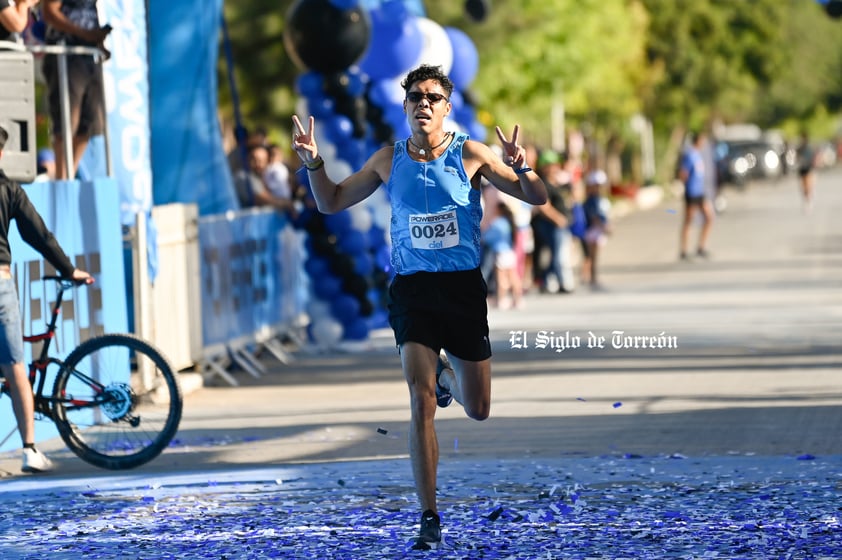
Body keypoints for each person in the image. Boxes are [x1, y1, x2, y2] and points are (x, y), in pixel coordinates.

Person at [291, 64, 547, 550]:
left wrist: (521, 166)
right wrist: (313, 163)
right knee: (420, 399)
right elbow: (331, 202)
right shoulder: (388, 159)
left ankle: (451, 376)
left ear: (446, 108)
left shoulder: (471, 154)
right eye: (414, 97)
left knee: (479, 409)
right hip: (411, 290)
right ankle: (429, 514)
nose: (423, 103)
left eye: (432, 97)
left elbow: (537, 197)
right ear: (405, 107)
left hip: (462, 290)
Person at [0, 124, 94, 473]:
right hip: (1, 282)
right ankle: (29, 450)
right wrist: (69, 270)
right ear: (2, 153)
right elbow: (39, 235)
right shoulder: (10, 189)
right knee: (15, 368)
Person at [41, 0, 111, 179]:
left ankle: (69, 174)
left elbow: (87, 15)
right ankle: (62, 178)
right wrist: (83, 34)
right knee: (66, 122)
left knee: (90, 123)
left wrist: (97, 41)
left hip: (89, 57)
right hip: (66, 55)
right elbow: (49, 11)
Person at [532, 149, 575, 293]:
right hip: (551, 225)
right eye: (551, 165)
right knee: (557, 254)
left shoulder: (558, 182)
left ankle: (546, 279)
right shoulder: (543, 183)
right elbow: (543, 206)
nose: (555, 167)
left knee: (559, 253)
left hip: (561, 224)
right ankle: (562, 282)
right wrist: (558, 219)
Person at [678, 130, 714, 260]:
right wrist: (685, 187)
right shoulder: (690, 155)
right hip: (691, 192)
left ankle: (701, 247)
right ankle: (684, 250)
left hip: (700, 192)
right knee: (689, 221)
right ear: (698, 140)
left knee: (709, 218)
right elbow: (683, 173)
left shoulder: (698, 154)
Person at [482, 201, 522, 309]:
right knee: (513, 277)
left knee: (501, 278)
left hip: (500, 252)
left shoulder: (498, 223)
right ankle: (518, 300)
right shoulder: (508, 222)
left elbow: (487, 237)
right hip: (509, 251)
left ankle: (501, 299)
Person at [581, 169, 612, 290]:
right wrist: (604, 227)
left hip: (598, 231)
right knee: (591, 256)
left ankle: (590, 276)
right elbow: (594, 216)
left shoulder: (601, 199)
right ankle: (591, 277)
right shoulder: (591, 201)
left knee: (593, 256)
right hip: (592, 231)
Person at [795, 132, 816, 213]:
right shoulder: (799, 148)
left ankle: (808, 201)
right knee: (803, 187)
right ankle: (806, 200)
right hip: (802, 169)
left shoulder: (809, 148)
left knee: (808, 186)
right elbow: (796, 158)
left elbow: (813, 158)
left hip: (809, 168)